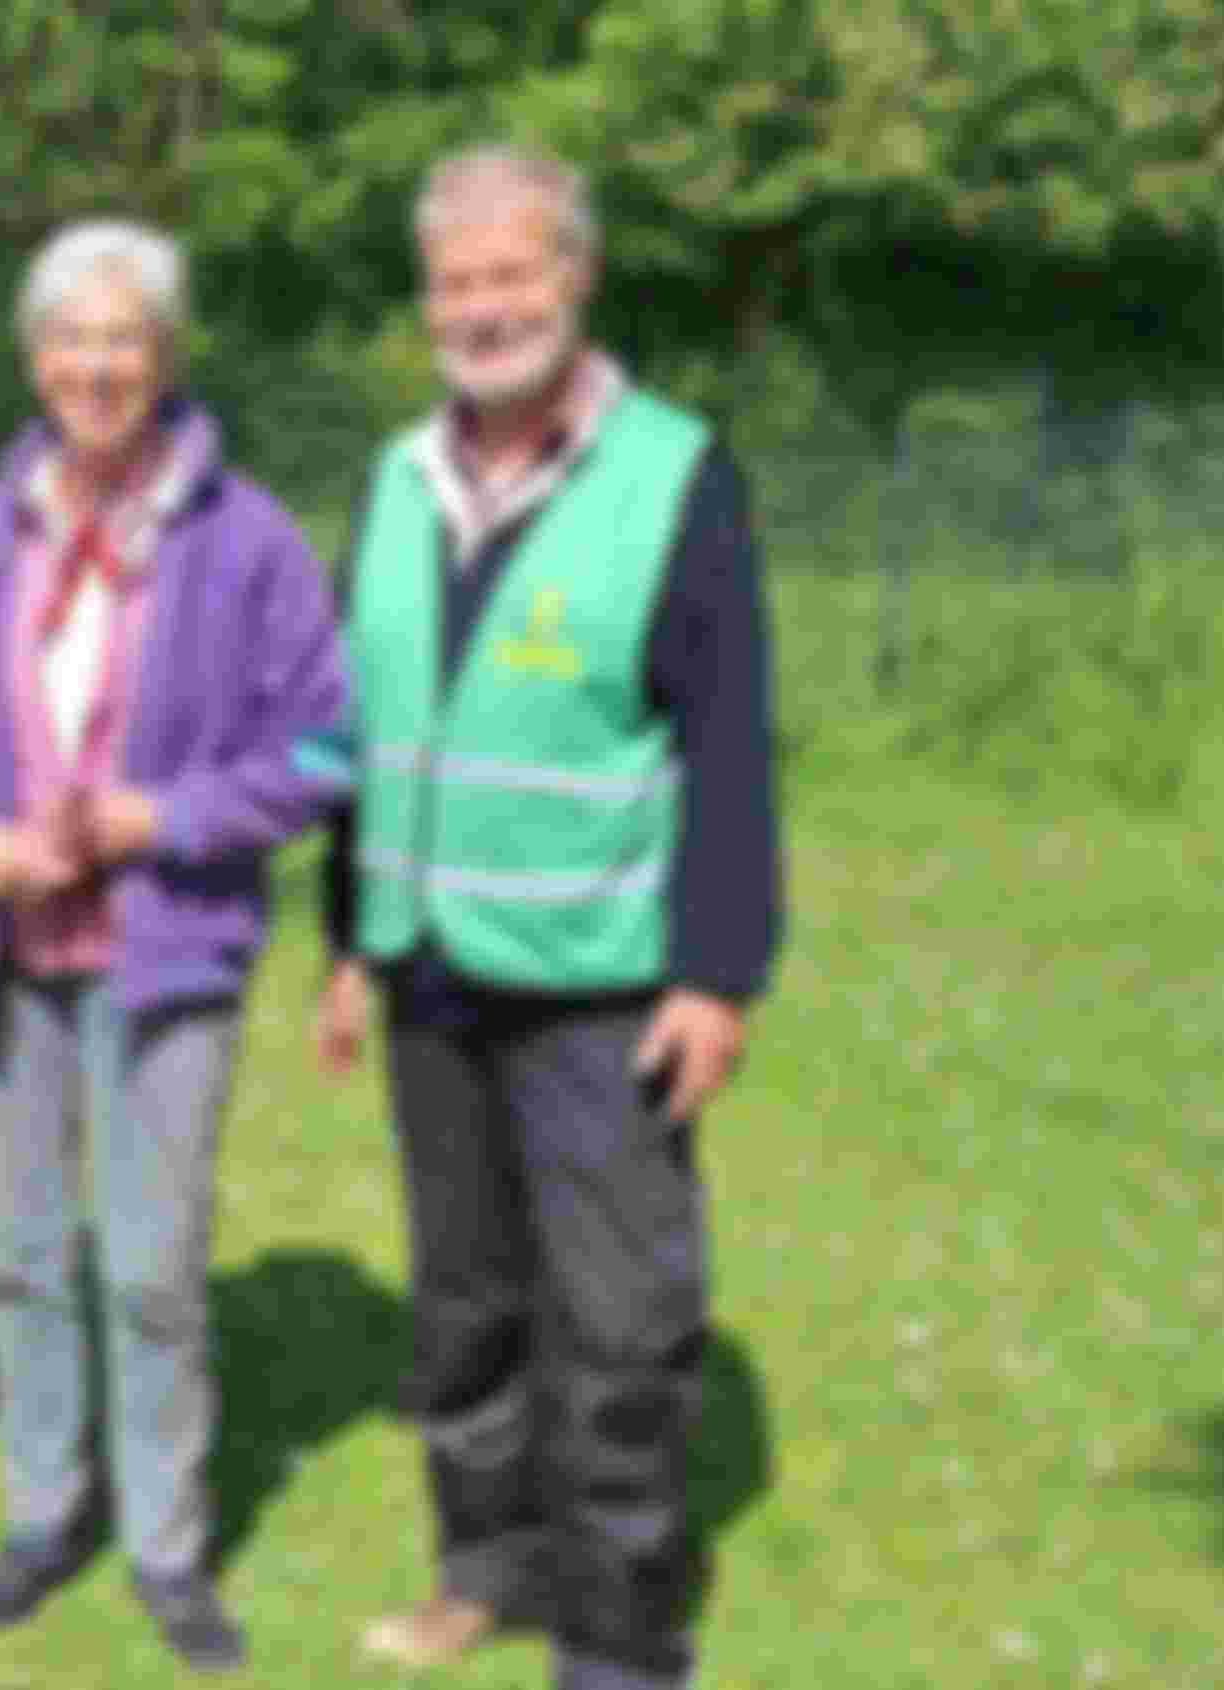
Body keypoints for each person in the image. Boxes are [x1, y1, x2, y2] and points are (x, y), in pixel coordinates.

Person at [311, 143, 785, 1690]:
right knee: (462, 1304)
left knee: (616, 1321)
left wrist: (717, 971)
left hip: (601, 976)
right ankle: (484, 1569)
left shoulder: (670, 473)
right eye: (454, 281)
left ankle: (619, 1635)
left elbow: (726, 740)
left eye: (512, 273)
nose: (483, 307)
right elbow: (364, 727)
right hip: (430, 970)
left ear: (573, 278)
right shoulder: (395, 480)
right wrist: (346, 937)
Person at [0, 219, 351, 1674]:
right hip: (0, 953)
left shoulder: (250, 542)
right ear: (33, 362)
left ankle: (165, 1542)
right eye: (70, 339)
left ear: (167, 355)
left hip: (166, 951)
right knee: (22, 1258)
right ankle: (43, 1512)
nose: (96, 366)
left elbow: (323, 748)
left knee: (151, 1266)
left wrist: (160, 817)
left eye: (123, 337)